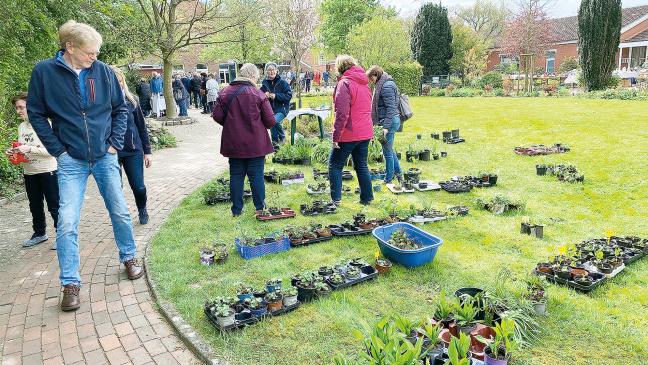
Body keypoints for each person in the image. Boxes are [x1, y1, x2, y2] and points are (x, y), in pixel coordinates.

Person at [27, 20, 144, 312]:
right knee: (66, 222)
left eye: (97, 52)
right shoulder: (44, 72)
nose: (95, 57)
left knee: (118, 209)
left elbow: (120, 109)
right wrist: (58, 150)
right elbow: (37, 114)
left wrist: (114, 143)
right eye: (90, 52)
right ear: (70, 47)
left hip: (105, 156)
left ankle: (129, 256)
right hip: (71, 161)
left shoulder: (103, 72)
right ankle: (70, 283)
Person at [211, 63, 275, 216]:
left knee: (236, 175)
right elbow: (270, 121)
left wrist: (231, 124)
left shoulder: (225, 92)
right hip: (256, 144)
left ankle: (236, 210)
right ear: (253, 76)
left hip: (234, 143)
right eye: (257, 77)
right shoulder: (258, 94)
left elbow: (217, 116)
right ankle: (260, 208)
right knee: (256, 176)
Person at [4, 93, 59, 249]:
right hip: (29, 172)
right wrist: (15, 152)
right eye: (16, 108)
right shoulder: (21, 127)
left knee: (54, 205)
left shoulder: (45, 123)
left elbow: (52, 151)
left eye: (21, 107)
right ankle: (40, 233)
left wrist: (29, 148)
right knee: (34, 205)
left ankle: (62, 236)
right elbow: (23, 148)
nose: (18, 111)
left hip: (48, 171)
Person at [328, 55, 374, 206]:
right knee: (361, 165)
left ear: (340, 68)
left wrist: (335, 137)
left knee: (335, 165)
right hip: (365, 132)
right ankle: (367, 199)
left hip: (349, 133)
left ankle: (336, 200)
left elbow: (341, 113)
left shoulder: (345, 84)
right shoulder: (365, 84)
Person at [110, 66, 153, 224]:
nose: (119, 84)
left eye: (121, 81)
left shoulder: (132, 100)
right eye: (115, 82)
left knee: (138, 186)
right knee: (115, 189)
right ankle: (121, 216)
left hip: (133, 150)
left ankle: (142, 209)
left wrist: (147, 152)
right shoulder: (102, 104)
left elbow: (141, 127)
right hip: (111, 151)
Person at [367, 65, 402, 183]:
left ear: (376, 75)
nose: (371, 81)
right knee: (390, 149)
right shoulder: (383, 83)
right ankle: (399, 173)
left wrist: (386, 127)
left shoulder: (386, 86)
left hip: (389, 122)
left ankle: (389, 178)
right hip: (388, 120)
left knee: (387, 152)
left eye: (371, 78)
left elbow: (391, 108)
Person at [260, 62, 292, 144]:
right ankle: (276, 146)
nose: (272, 72)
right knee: (272, 126)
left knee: (274, 121)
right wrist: (264, 95)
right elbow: (258, 96)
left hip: (282, 109)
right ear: (266, 72)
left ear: (277, 71)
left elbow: (288, 96)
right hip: (269, 110)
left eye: (273, 69)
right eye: (269, 70)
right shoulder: (264, 84)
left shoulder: (283, 83)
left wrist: (276, 96)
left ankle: (282, 136)